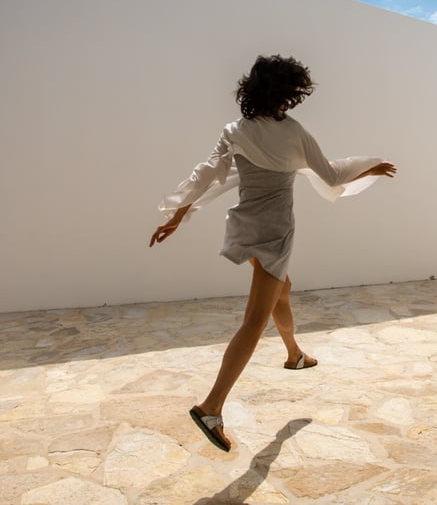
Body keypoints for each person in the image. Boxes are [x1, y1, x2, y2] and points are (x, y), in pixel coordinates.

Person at [149, 54, 396, 452]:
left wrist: (178, 218)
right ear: (288, 94)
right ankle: (210, 407)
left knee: (283, 287)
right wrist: (370, 169)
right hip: (275, 233)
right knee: (254, 321)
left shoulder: (236, 129)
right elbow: (331, 176)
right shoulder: (295, 132)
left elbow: (206, 175)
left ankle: (295, 354)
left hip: (244, 224)